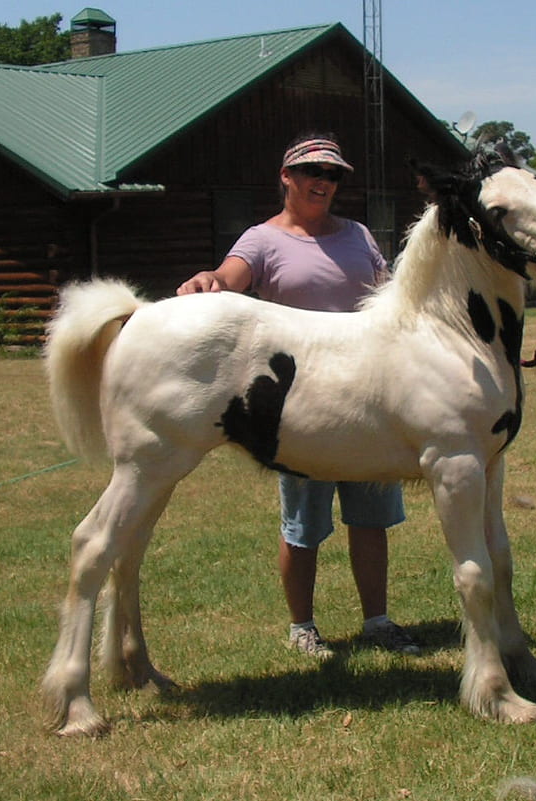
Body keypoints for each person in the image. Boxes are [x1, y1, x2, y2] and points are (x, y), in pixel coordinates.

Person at [177, 132, 419, 659]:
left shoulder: (357, 234)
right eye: (312, 171)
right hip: (301, 408)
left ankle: (377, 621)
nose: (323, 181)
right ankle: (302, 626)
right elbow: (228, 279)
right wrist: (207, 280)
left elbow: (390, 297)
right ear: (286, 177)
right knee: (303, 525)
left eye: (333, 175)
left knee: (371, 518)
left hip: (369, 398)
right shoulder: (262, 239)